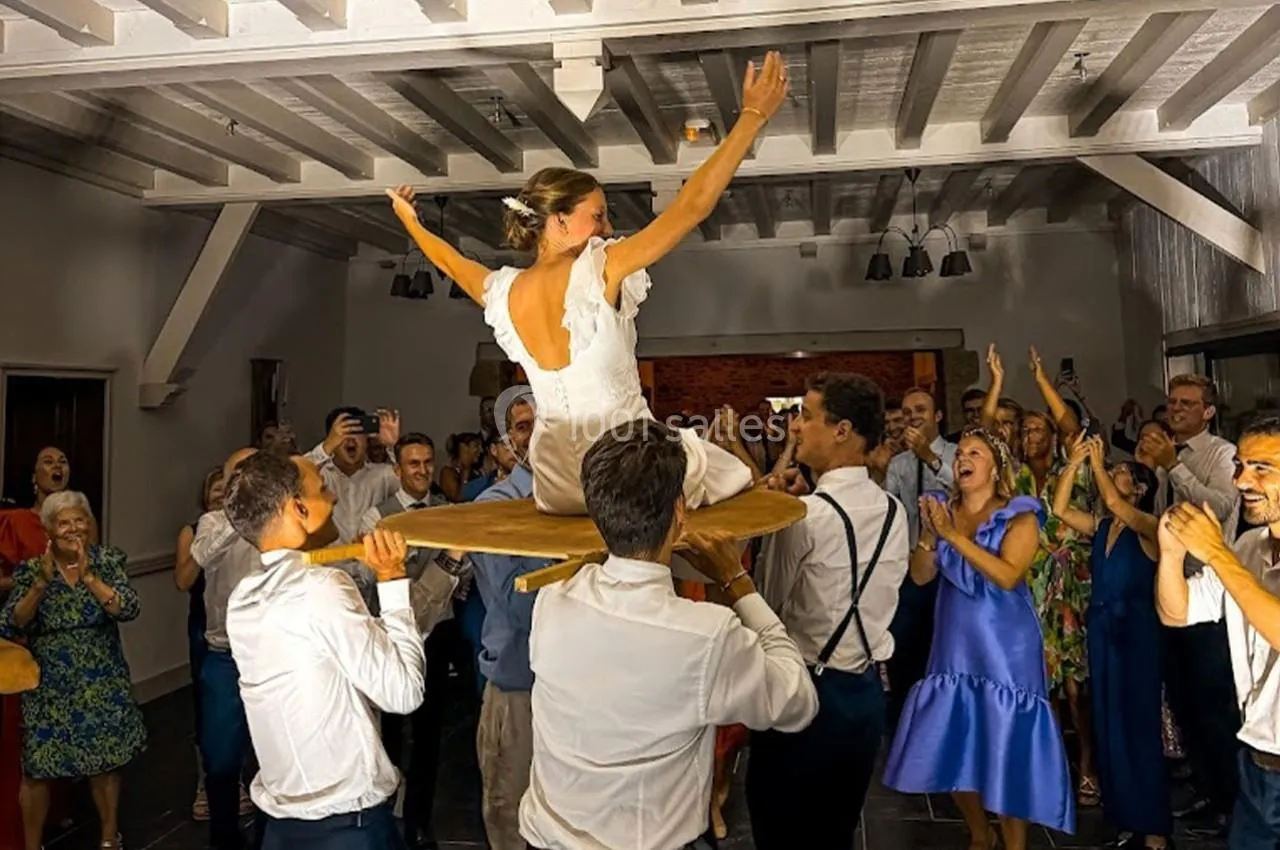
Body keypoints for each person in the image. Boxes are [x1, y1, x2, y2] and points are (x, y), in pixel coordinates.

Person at [386, 51, 790, 516]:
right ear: (558, 221)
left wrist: (410, 221)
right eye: (598, 215)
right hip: (625, 472)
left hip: (557, 483)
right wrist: (752, 117)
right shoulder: (599, 267)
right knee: (728, 475)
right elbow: (691, 207)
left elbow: (448, 260)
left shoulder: (502, 291)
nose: (607, 227)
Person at [519, 419, 819, 850]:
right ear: (680, 511)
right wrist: (738, 582)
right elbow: (797, 703)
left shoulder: (552, 599)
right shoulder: (706, 634)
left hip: (545, 836)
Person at [222, 451, 464, 850]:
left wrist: (444, 566)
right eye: (322, 490)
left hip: (281, 827)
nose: (333, 497)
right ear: (298, 509)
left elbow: (371, 652)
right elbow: (402, 691)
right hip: (346, 826)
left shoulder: (243, 598)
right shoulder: (321, 588)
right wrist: (392, 577)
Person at [883, 429, 1075, 850]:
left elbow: (1008, 576)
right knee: (955, 739)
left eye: (974, 453)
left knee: (1006, 745)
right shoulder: (942, 510)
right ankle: (979, 833)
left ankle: (1015, 844)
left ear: (996, 466)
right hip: (955, 641)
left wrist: (953, 537)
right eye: (959, 455)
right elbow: (921, 576)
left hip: (1006, 645)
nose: (962, 460)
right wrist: (929, 535)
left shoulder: (1020, 514)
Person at [748, 373, 910, 850]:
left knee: (781, 832)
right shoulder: (894, 511)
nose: (795, 426)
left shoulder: (806, 516)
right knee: (836, 830)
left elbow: (768, 608)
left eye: (806, 416)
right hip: (865, 695)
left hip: (803, 694)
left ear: (842, 430)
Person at [1158, 415, 1280, 850]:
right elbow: (1177, 613)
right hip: (1259, 762)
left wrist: (1214, 551)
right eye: (1241, 466)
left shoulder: (1232, 554)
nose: (1242, 480)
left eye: (1262, 468)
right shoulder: (1249, 547)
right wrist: (1171, 554)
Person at [0, 492, 146, 850]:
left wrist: (90, 577)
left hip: (101, 681)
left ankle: (109, 837)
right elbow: (11, 622)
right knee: (38, 767)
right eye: (63, 522)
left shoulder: (107, 561)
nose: (73, 528)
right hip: (50, 687)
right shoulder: (32, 570)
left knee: (104, 762)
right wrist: (40, 585)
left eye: (80, 520)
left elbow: (128, 608)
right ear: (49, 530)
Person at [1050, 435, 1171, 849]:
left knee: (1138, 724)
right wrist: (1074, 463)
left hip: (1136, 632)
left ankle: (1154, 828)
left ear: (1139, 487)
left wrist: (1098, 463)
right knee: (1108, 721)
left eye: (1121, 472)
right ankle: (1125, 817)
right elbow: (1060, 509)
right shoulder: (1102, 528)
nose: (1111, 476)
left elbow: (1116, 504)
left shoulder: (1150, 526)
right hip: (1102, 630)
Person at [175, 466, 227, 822]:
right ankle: (205, 783)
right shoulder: (193, 531)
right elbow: (183, 580)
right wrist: (209, 544)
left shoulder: (249, 529)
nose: (221, 494)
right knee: (207, 705)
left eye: (227, 488)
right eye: (215, 488)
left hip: (242, 626)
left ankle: (236, 780)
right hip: (204, 626)